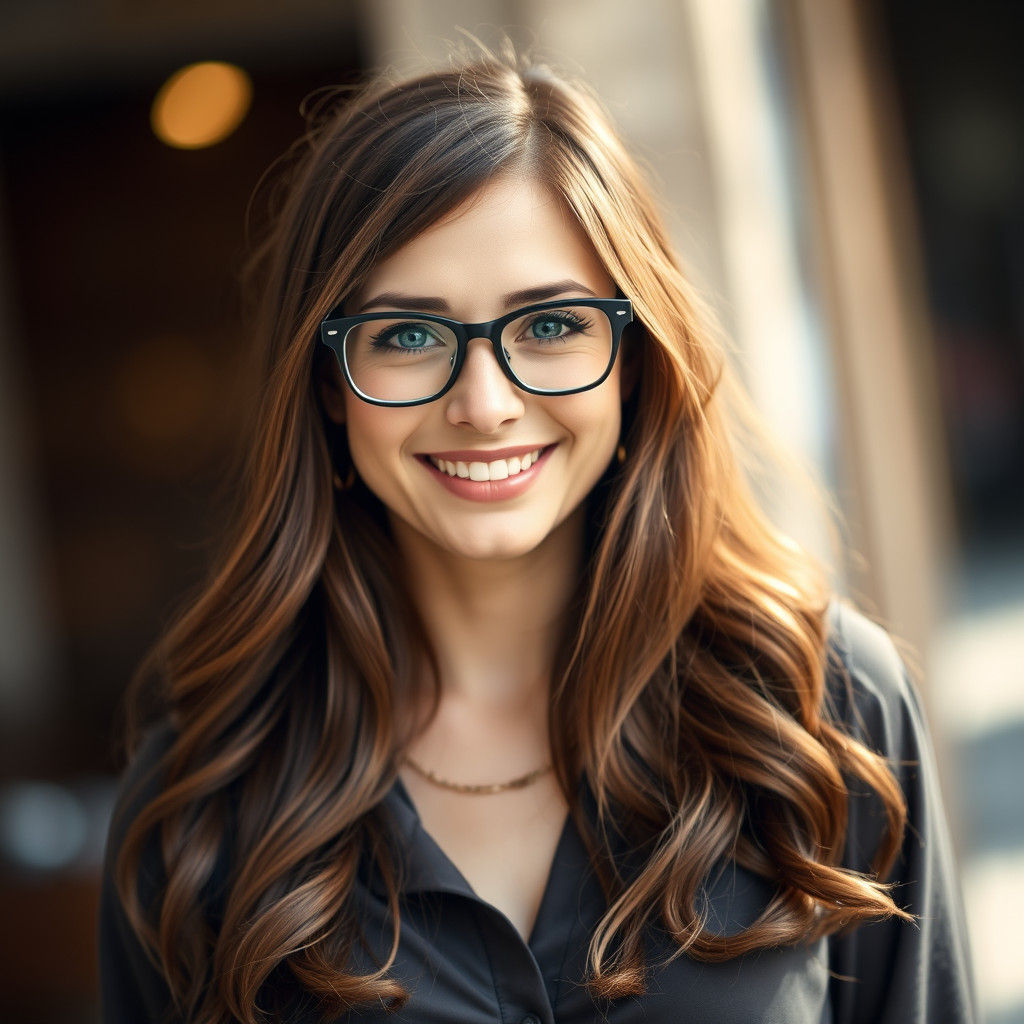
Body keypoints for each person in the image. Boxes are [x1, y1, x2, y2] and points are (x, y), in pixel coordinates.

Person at [98, 41, 977, 1024]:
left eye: (551, 325)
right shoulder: (198, 803)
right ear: (327, 388)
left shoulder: (826, 710)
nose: (484, 403)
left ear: (634, 359)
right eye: (407, 335)